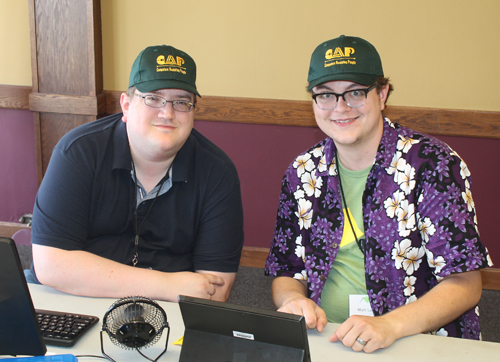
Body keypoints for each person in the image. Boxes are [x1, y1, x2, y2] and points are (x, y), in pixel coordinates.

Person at [265, 35, 492, 353]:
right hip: (327, 341)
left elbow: (466, 285)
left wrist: (390, 325)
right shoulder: (302, 171)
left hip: (418, 342)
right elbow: (286, 270)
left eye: (355, 93)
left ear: (382, 94)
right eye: (326, 95)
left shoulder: (433, 164)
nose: (340, 108)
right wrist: (293, 301)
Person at [30, 45, 244, 303]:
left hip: (166, 313)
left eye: (181, 102)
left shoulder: (218, 173)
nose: (167, 113)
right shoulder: (78, 152)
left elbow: (213, 291)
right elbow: (51, 265)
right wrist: (165, 284)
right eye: (153, 98)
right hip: (76, 297)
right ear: (126, 104)